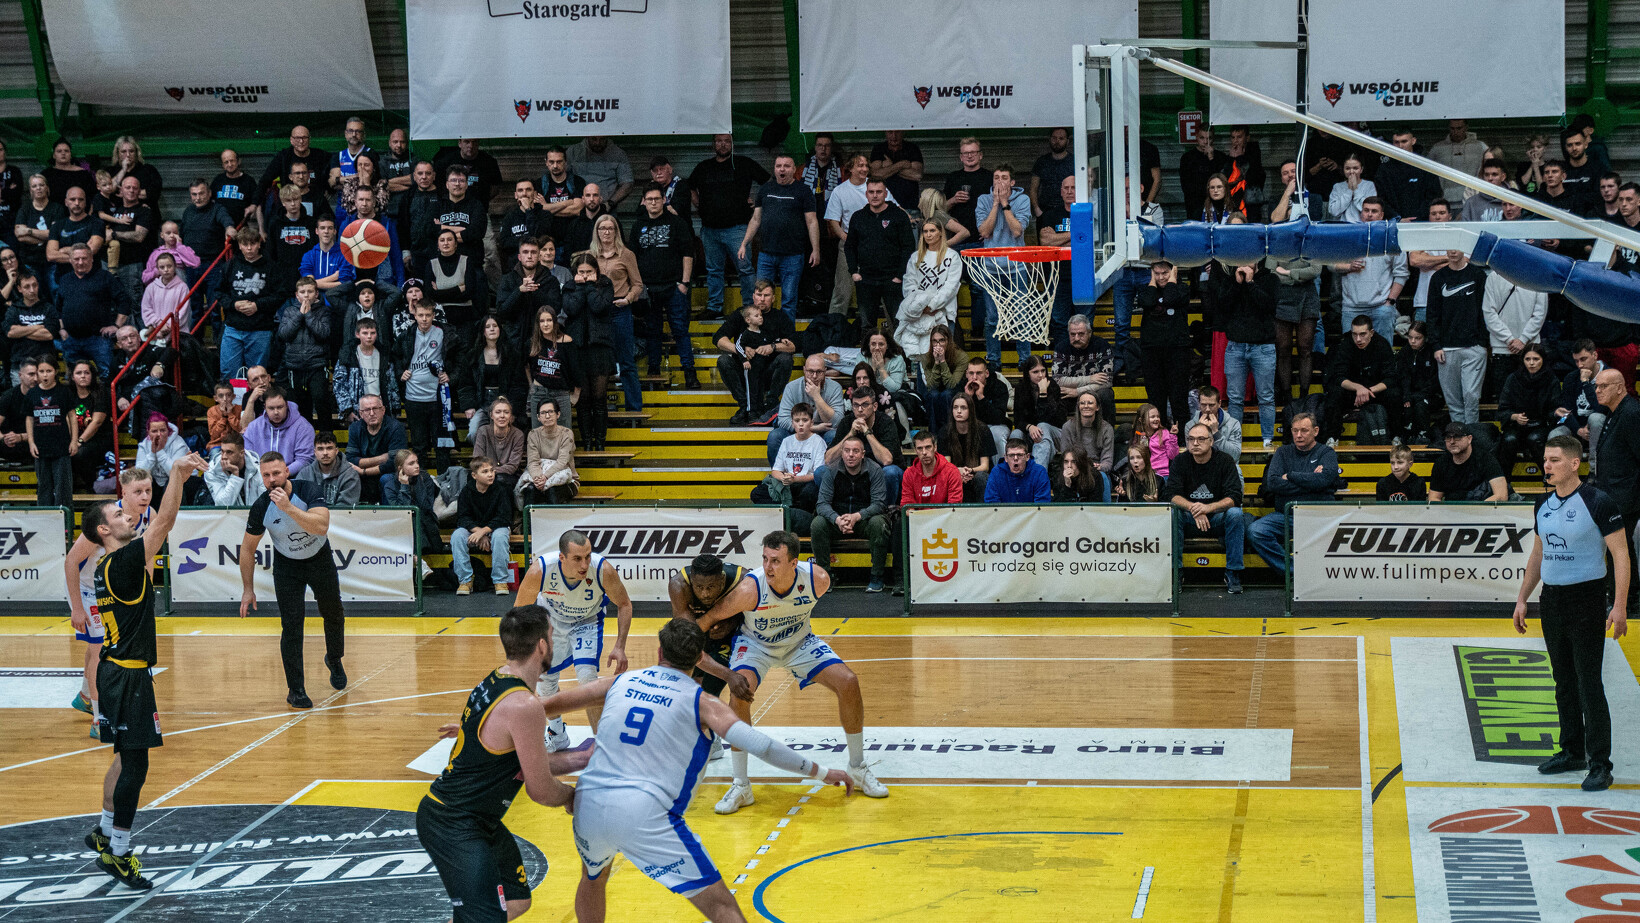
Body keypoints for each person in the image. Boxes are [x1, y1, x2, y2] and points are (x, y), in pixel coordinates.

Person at [546, 618, 849, 923]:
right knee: (723, 908)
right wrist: (822, 772)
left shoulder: (619, 682)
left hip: (589, 802)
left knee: (593, 878)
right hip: (644, 811)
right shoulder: (704, 703)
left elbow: (546, 705)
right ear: (701, 658)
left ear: (659, 651)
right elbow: (762, 746)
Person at [78, 452, 205, 890]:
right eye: (118, 513)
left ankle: (103, 829)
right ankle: (118, 852)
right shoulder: (124, 562)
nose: (127, 514)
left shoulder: (104, 566)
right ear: (103, 530)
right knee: (136, 766)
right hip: (127, 677)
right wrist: (178, 475)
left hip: (116, 672)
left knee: (123, 757)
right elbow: (164, 522)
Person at [418, 605, 591, 923]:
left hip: (477, 819)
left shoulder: (497, 679)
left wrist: (582, 758)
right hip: (453, 824)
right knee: (485, 917)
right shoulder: (523, 705)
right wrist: (572, 796)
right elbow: (540, 789)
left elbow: (527, 762)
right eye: (552, 635)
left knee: (516, 901)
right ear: (542, 646)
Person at [703, 530, 888, 813]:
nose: (768, 567)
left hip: (799, 642)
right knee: (740, 692)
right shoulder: (750, 589)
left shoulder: (818, 580)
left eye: (776, 560)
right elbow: (708, 619)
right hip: (756, 645)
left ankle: (858, 767)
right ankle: (741, 785)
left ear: (794, 563)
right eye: (765, 559)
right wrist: (677, 647)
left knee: (849, 682)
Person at [1513, 435, 1628, 793]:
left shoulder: (1598, 501)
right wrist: (1522, 599)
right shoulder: (1542, 504)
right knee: (1562, 679)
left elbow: (1621, 556)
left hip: (1586, 600)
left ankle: (1600, 764)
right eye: (1545, 460)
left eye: (1555, 460)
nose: (1546, 466)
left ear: (1575, 464)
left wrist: (1619, 606)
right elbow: (1538, 554)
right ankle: (1572, 751)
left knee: (1588, 682)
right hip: (1552, 600)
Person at [238, 451, 346, 709]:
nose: (272, 480)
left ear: (287, 472)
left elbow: (321, 526)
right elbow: (247, 549)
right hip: (287, 566)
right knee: (292, 626)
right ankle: (296, 690)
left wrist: (288, 507)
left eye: (276, 473)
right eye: (266, 475)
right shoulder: (261, 507)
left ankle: (334, 658)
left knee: (333, 612)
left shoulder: (308, 490)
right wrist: (247, 589)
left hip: (319, 558)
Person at [513, 529, 634, 751]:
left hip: (586, 622)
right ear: (562, 557)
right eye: (577, 558)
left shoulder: (602, 570)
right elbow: (519, 611)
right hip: (550, 623)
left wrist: (620, 646)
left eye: (588, 556)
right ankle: (557, 734)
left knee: (588, 679)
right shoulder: (540, 570)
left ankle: (602, 744)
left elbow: (625, 604)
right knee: (545, 681)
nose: (584, 564)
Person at [65, 468, 153, 730]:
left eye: (148, 490)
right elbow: (71, 562)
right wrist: (77, 608)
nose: (145, 496)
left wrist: (146, 592)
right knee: (100, 650)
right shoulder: (107, 519)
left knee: (98, 647)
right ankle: (99, 718)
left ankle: (85, 697)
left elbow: (146, 555)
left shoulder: (150, 514)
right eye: (138, 491)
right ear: (123, 493)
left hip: (110, 587)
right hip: (87, 588)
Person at [1248, 413, 1343, 572]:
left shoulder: (1326, 453)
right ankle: (1296, 571)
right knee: (1256, 531)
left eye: (1304, 430)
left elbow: (1324, 480)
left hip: (1319, 516)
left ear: (1315, 431)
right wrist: (1312, 480)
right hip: (1286, 516)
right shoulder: (1282, 453)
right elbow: (1273, 484)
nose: (1299, 435)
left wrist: (1291, 476)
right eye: (1295, 430)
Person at [629, 183, 700, 389]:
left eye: (657, 199)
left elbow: (688, 253)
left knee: (680, 331)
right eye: (649, 199)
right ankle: (654, 372)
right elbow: (632, 258)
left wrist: (684, 283)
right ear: (643, 202)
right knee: (653, 332)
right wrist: (637, 286)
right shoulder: (637, 225)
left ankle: (690, 374)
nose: (653, 202)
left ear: (664, 200)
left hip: (674, 287)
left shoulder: (677, 223)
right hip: (648, 289)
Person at [691, 135, 768, 317]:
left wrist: (757, 201)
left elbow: (767, 182)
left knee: (745, 269)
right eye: (719, 141)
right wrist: (699, 204)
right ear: (713, 144)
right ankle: (714, 308)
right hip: (710, 230)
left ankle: (750, 308)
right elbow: (690, 186)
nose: (723, 144)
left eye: (727, 141)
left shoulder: (744, 163)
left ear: (732, 143)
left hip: (738, 229)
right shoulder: (703, 167)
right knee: (713, 270)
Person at [1168, 422, 1246, 593]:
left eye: (1201, 439)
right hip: (1190, 519)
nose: (1195, 443)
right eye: (1191, 439)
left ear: (1211, 441)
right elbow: (1172, 495)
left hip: (1217, 519)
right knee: (1173, 514)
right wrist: (1194, 509)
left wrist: (1208, 508)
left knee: (1235, 514)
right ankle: (1176, 572)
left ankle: (1233, 572)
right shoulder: (1180, 461)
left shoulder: (1225, 461)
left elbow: (1235, 497)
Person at [739, 154, 820, 319]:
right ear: (774, 169)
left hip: (793, 255)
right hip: (766, 254)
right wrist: (744, 243)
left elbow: (812, 221)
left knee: (789, 300)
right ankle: (762, 331)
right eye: (778, 166)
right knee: (761, 299)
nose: (782, 169)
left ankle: (786, 334)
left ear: (794, 169)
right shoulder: (765, 189)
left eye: (787, 166)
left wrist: (815, 249)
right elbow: (756, 219)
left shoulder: (803, 191)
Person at [811, 433, 893, 591]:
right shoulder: (831, 470)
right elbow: (822, 504)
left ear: (863, 454)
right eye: (847, 450)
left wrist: (857, 516)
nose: (850, 455)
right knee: (818, 523)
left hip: (864, 521)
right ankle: (825, 576)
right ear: (842, 453)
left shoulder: (875, 470)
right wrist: (837, 519)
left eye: (855, 451)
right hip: (838, 521)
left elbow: (879, 504)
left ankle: (877, 576)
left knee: (879, 523)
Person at [973, 164, 1034, 369]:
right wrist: (995, 205)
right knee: (992, 318)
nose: (1000, 181)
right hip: (991, 268)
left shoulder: (1023, 200)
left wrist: (1005, 204)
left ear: (1012, 182)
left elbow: (1017, 231)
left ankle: (1025, 361)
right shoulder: (983, 200)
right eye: (996, 177)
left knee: (1022, 315)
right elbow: (984, 232)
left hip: (1017, 267)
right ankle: (994, 361)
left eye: (1004, 178)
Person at [1212, 263, 1279, 449]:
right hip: (1236, 345)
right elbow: (1223, 306)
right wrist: (1237, 283)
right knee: (1235, 398)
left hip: (1263, 346)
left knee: (1266, 397)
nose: (1245, 263)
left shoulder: (1270, 279)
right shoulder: (1230, 280)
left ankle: (1267, 440)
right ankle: (1235, 441)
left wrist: (1250, 283)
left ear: (1257, 260)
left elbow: (1269, 306)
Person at [1425, 249, 1490, 425]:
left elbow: (1486, 310)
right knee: (1453, 400)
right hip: (1446, 348)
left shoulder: (1478, 275)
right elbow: (1432, 314)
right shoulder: (1438, 277)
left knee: (1471, 396)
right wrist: (1436, 345)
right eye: (1450, 247)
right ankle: (1458, 435)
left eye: (1457, 246)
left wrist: (1482, 342)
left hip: (1473, 346)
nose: (1453, 251)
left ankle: (1471, 434)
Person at [1594, 368, 1640, 613]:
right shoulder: (1614, 412)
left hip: (1626, 495)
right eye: (1596, 386)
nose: (1598, 390)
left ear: (1620, 387)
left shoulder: (1631, 413)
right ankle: (1628, 596)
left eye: (1604, 386)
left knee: (1618, 549)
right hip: (1614, 493)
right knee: (1620, 548)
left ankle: (1624, 600)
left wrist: (1631, 494)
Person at [561, 254, 616, 451]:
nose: (585, 276)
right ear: (575, 272)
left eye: (589, 272)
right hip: (577, 349)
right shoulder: (569, 287)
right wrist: (580, 288)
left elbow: (599, 307)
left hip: (600, 348)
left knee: (599, 399)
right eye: (581, 272)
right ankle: (587, 443)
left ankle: (600, 443)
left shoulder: (606, 285)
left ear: (596, 271)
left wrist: (590, 287)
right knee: (583, 400)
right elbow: (571, 309)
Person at [589, 214, 644, 413]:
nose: (606, 232)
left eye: (610, 228)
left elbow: (638, 284)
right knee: (597, 362)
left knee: (626, 361)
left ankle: (634, 410)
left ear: (616, 231)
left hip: (620, 309)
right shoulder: (590, 255)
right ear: (597, 232)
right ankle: (598, 410)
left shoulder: (626, 254)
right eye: (602, 228)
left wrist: (628, 299)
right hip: (597, 311)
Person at [1332, 198, 1407, 342]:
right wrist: (1348, 266)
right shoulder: (1348, 237)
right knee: (1350, 351)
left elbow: (1401, 274)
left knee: (1383, 350)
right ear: (1361, 213)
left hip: (1381, 307)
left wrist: (1390, 302)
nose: (1370, 214)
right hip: (1351, 307)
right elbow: (1331, 265)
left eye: (1374, 211)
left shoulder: (1392, 239)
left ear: (1381, 215)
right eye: (1366, 210)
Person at [843, 180, 914, 329]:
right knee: (866, 326)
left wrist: (899, 276)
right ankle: (868, 347)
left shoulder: (899, 216)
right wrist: (854, 272)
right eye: (871, 192)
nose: (875, 195)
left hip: (892, 279)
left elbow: (908, 247)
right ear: (866, 194)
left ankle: (897, 347)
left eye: (879, 192)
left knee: (900, 325)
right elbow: (850, 246)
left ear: (886, 194)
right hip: (866, 279)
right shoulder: (858, 217)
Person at [392, 300, 453, 470]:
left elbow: (459, 359)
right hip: (413, 398)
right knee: (419, 445)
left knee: (441, 444)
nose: (424, 319)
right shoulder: (406, 335)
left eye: (427, 315)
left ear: (434, 315)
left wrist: (450, 375)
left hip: (438, 398)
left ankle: (443, 481)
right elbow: (395, 356)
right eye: (421, 315)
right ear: (414, 315)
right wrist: (400, 372)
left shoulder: (445, 334)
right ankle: (420, 481)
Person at [216, 227, 284, 377]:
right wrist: (234, 305)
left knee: (257, 376)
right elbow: (219, 292)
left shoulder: (271, 267)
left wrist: (257, 306)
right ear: (239, 245)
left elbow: (280, 295)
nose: (249, 248)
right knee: (228, 373)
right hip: (233, 328)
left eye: (252, 244)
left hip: (260, 329)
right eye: (245, 244)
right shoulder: (230, 265)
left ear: (259, 244)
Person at [1323, 315, 1398, 445]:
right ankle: (1332, 438)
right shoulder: (1344, 344)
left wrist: (1368, 390)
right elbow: (1338, 377)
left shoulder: (1382, 344)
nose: (1358, 339)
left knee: (1394, 394)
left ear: (1371, 333)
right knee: (1334, 393)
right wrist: (1358, 388)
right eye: (1355, 334)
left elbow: (1391, 377)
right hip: (1352, 393)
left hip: (1375, 391)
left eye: (1363, 334)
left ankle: (1396, 437)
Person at [896, 217, 962, 363]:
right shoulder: (915, 257)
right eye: (925, 231)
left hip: (943, 313)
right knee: (922, 358)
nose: (928, 234)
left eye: (932, 230)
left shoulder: (952, 256)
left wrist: (932, 306)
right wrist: (920, 307)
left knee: (943, 359)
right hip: (919, 315)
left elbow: (951, 287)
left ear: (940, 232)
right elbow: (909, 284)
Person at [822, 385, 903, 502]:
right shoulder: (846, 422)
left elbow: (886, 460)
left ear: (875, 406)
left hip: (880, 471)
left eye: (864, 405)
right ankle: (839, 508)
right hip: (855, 472)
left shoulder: (886, 423)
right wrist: (850, 434)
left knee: (890, 472)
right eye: (856, 405)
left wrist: (867, 432)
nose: (860, 409)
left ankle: (887, 510)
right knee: (821, 472)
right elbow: (829, 460)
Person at [1136, 260, 1192, 430]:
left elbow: (1170, 298)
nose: (1161, 277)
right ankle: (1157, 438)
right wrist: (1152, 283)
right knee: (1155, 400)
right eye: (1157, 273)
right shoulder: (1147, 289)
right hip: (1152, 352)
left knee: (1178, 399)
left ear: (1174, 271)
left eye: (1165, 273)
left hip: (1177, 351)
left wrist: (1172, 281)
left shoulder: (1182, 289)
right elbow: (1147, 302)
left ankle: (1182, 438)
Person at [450, 455, 515, 597]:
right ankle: (465, 580)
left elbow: (504, 517)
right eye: (485, 472)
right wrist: (479, 533)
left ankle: (500, 580)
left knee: (500, 537)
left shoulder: (501, 489)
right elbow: (462, 518)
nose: (490, 474)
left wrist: (484, 531)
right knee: (457, 536)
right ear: (474, 475)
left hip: (497, 527)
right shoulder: (466, 491)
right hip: (473, 529)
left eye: (492, 470)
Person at [1481, 269, 1548, 403]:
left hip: (1530, 349)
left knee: (1532, 397)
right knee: (1504, 399)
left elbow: (1540, 313)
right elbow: (1488, 312)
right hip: (1501, 349)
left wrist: (1523, 339)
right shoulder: (1493, 277)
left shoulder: (1537, 275)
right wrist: (1509, 339)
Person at [766, 353, 845, 465]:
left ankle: (825, 474)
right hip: (799, 431)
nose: (814, 376)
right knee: (775, 436)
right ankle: (779, 474)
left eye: (819, 372)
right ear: (804, 370)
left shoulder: (835, 387)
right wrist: (813, 428)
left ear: (825, 371)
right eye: (810, 371)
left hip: (824, 432)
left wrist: (817, 397)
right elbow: (783, 420)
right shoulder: (791, 387)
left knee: (834, 436)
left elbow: (837, 421)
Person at [754, 401, 824, 521]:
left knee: (810, 492)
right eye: (797, 420)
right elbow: (776, 470)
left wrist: (795, 479)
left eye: (805, 420)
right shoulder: (787, 441)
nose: (801, 424)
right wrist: (783, 478)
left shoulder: (818, 442)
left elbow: (817, 474)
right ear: (792, 423)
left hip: (806, 483)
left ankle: (800, 517)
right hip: (787, 482)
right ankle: (784, 515)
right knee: (757, 493)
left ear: (812, 422)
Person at [1496, 343, 1559, 472]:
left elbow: (1555, 408)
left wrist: (1547, 418)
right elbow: (1502, 409)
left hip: (1542, 425)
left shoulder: (1551, 380)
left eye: (1536, 359)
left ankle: (1549, 476)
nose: (1531, 363)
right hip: (1516, 426)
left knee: (1535, 439)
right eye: (1527, 359)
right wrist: (1514, 416)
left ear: (1543, 360)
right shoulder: (1513, 379)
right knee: (1509, 440)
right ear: (1522, 360)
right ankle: (1504, 479)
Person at [1550, 340, 1607, 470]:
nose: (1580, 365)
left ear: (1595, 355)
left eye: (1583, 359)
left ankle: (1594, 472)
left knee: (1596, 418)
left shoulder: (1608, 375)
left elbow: (1603, 409)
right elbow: (1565, 411)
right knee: (1555, 434)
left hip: (1601, 427)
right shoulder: (1571, 378)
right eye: (1576, 361)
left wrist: (1585, 383)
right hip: (1577, 426)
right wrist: (1578, 430)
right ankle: (1562, 474)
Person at [26, 358, 76, 507]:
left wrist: (74, 440)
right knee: (43, 487)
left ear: (56, 371)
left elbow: (72, 416)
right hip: (40, 447)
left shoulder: (64, 391)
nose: (45, 375)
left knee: (63, 488)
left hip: (61, 446)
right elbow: (29, 419)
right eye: (41, 371)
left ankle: (65, 519)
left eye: (49, 371)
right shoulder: (32, 393)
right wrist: (31, 442)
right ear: (37, 373)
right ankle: (44, 517)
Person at [497, 237, 563, 342]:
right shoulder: (508, 279)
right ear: (519, 257)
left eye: (533, 252)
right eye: (525, 252)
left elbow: (555, 310)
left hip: (542, 338)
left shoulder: (550, 280)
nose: (529, 256)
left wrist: (535, 291)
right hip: (514, 340)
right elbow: (501, 312)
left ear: (539, 256)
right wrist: (519, 291)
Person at [1053, 314, 1116, 423]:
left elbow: (1107, 381)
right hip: (1069, 394)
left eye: (1081, 334)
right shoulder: (1061, 348)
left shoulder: (1102, 345)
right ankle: (1060, 432)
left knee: (1106, 394)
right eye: (1073, 334)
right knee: (1056, 395)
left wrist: (1078, 391)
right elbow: (1058, 381)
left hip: (1094, 394)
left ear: (1089, 333)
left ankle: (1108, 431)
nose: (1076, 338)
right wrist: (1090, 379)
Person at [345, 393, 406, 504]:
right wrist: (382, 458)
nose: (372, 413)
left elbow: (395, 462)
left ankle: (389, 514)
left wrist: (364, 471)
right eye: (367, 410)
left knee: (386, 479)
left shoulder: (396, 427)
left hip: (389, 473)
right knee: (348, 476)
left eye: (375, 409)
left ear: (383, 410)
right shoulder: (355, 428)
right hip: (365, 475)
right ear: (361, 413)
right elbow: (350, 459)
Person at [1428, 422, 1509, 502]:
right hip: (1453, 508)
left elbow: (1501, 496)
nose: (1452, 442)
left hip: (1481, 507)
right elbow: (1433, 498)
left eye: (1457, 437)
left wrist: (1475, 509)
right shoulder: (1441, 463)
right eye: (1448, 437)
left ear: (1469, 439)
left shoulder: (1486, 459)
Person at [242, 388, 315, 477]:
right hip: (260, 477)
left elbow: (304, 459)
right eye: (271, 408)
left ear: (287, 405)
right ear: (264, 407)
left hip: (293, 477)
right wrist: (266, 475)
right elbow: (249, 458)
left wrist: (282, 474)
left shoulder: (303, 426)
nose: (276, 412)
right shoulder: (254, 427)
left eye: (280, 407)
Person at [1013, 355, 1069, 469]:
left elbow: (1057, 419)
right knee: (1015, 434)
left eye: (1043, 370)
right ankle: (1015, 472)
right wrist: (1029, 427)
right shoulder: (1021, 388)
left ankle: (1037, 474)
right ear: (1027, 373)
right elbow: (1018, 420)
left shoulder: (1053, 386)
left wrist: (1043, 393)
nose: (1041, 375)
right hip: (1031, 433)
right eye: (1035, 372)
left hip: (1053, 433)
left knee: (1042, 427)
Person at [520, 400, 578, 507]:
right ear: (538, 417)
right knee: (530, 490)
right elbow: (533, 461)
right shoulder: (533, 434)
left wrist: (546, 477)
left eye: (551, 412)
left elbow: (562, 462)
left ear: (558, 414)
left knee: (552, 491)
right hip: (539, 480)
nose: (547, 416)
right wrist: (538, 479)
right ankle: (527, 519)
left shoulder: (566, 433)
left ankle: (555, 519)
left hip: (565, 481)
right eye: (543, 413)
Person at [919, 325, 967, 434]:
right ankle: (934, 435)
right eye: (934, 341)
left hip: (954, 390)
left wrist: (943, 361)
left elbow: (951, 384)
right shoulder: (926, 358)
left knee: (947, 394)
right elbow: (931, 385)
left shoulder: (961, 357)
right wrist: (936, 363)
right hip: (935, 391)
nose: (938, 345)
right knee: (933, 395)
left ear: (948, 341)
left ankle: (950, 433)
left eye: (942, 340)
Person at [473, 397, 525, 496]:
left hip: (508, 476)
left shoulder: (518, 434)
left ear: (511, 416)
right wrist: (488, 473)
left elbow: (512, 466)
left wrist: (491, 471)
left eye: (506, 412)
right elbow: (477, 459)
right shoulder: (483, 431)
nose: (502, 416)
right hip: (485, 474)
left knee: (500, 481)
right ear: (491, 415)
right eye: (498, 412)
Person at [1179, 126, 1233, 221]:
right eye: (1202, 138)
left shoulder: (1220, 157)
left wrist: (1211, 158)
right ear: (1197, 137)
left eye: (1209, 138)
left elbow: (1222, 180)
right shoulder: (1187, 158)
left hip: (1218, 205)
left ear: (1213, 139)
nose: (1205, 142)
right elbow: (1185, 185)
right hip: (1195, 204)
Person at [294, 431, 361, 507]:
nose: (325, 453)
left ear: (336, 451)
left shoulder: (350, 475)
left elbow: (345, 508)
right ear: (315, 452)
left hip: (340, 515)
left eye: (329, 448)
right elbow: (298, 504)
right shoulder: (304, 474)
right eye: (320, 449)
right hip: (310, 514)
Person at [566, 136, 634, 210]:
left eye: (602, 139)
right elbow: (561, 178)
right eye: (594, 139)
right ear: (587, 137)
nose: (598, 143)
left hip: (606, 206)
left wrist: (610, 203)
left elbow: (627, 183)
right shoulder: (573, 152)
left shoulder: (618, 153)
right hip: (578, 206)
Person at [1428, 120, 1488, 202]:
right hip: (1445, 199)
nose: (1455, 132)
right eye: (1452, 128)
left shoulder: (1480, 147)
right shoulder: (1438, 148)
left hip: (1473, 199)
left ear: (1466, 128)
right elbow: (1427, 171)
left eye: (1459, 128)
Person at [901, 428, 964, 506]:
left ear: (935, 447)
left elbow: (954, 505)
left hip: (944, 514)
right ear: (915, 450)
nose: (924, 452)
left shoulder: (951, 472)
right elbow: (907, 504)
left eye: (928, 447)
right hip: (917, 514)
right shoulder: (909, 474)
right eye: (920, 448)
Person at [985, 437, 1052, 503]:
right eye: (1011, 455)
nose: (1015, 458)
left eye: (1020, 455)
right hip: (1003, 511)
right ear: (1006, 458)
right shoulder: (996, 473)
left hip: (1032, 510)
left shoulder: (1039, 473)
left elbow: (1042, 503)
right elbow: (992, 503)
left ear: (1027, 457)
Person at [204, 433, 264, 506]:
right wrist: (235, 476)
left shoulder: (259, 469)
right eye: (222, 451)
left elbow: (264, 504)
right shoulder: (212, 471)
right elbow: (223, 505)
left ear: (242, 453)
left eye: (229, 452)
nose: (224, 457)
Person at [1133, 403, 1180, 478]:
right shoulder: (1138, 435)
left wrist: (1173, 436)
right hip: (1145, 474)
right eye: (1152, 417)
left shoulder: (1164, 433)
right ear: (1142, 420)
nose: (1156, 419)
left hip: (1163, 474)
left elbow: (1173, 455)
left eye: (1158, 416)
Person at [1327, 155, 1377, 223]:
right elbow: (1333, 211)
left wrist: (1355, 189)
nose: (1351, 171)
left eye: (1355, 168)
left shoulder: (1369, 185)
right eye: (1347, 168)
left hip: (1363, 226)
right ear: (1343, 170)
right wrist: (1349, 191)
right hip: (1342, 226)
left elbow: (1370, 210)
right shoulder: (1337, 187)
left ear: (1361, 169)